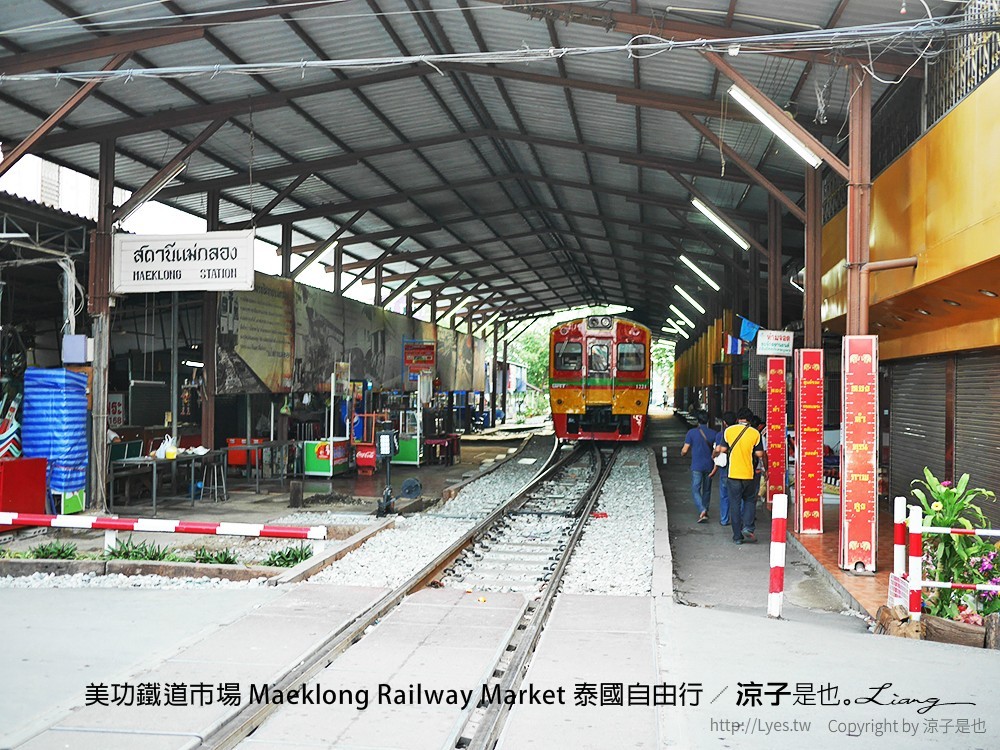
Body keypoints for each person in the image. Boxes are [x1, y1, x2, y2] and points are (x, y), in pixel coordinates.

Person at [716, 407, 766, 544]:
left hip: (733, 474)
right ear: (750, 420)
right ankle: (748, 528)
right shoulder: (755, 433)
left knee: (735, 504)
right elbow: (760, 454)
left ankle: (737, 537)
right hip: (748, 474)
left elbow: (723, 449)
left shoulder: (729, 431)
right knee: (749, 501)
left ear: (738, 419)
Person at [681, 410, 717, 523]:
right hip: (709, 465)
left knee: (695, 489)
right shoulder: (714, 433)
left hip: (696, 465)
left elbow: (685, 450)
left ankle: (702, 509)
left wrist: (682, 453)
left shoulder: (691, 433)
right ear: (708, 420)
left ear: (697, 420)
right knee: (707, 490)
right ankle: (705, 510)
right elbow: (717, 450)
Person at [713, 411, 737, 526]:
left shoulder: (720, 435)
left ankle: (724, 519)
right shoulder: (741, 434)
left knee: (724, 496)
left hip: (724, 470)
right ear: (736, 421)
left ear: (724, 423)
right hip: (737, 469)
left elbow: (718, 451)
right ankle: (739, 519)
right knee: (738, 496)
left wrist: (713, 456)